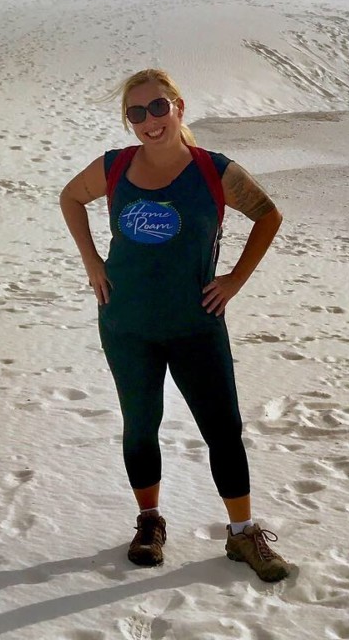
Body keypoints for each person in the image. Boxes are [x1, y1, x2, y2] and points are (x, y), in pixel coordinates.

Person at [59, 68, 291, 581]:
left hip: (196, 323)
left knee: (222, 429)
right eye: (136, 113)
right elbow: (70, 198)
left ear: (178, 107)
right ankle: (149, 523)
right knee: (141, 427)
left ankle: (243, 534)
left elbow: (268, 215)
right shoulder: (115, 167)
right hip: (126, 324)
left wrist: (234, 279)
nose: (149, 121)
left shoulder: (214, 171)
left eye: (158, 107)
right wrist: (92, 263)